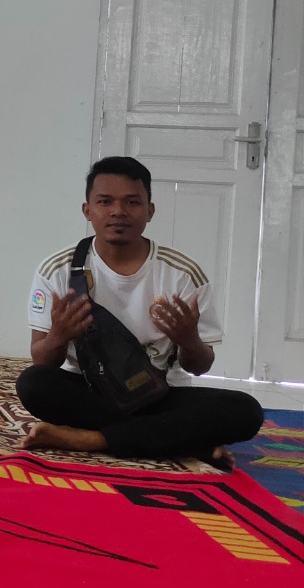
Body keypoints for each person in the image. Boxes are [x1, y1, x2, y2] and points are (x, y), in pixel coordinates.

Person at [19, 155, 263, 466]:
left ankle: (93, 439)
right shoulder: (57, 270)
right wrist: (59, 335)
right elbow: (42, 360)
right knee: (33, 383)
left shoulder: (182, 273)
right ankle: (179, 441)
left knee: (246, 411)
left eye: (132, 202)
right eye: (105, 201)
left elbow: (200, 367)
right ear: (87, 210)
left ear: (150, 210)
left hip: (160, 395)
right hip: (90, 393)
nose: (118, 211)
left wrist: (189, 340)